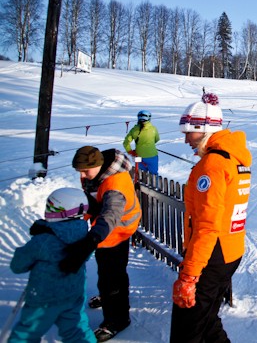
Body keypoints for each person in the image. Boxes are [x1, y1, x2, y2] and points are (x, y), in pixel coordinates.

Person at [171, 93, 252, 343]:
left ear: (203, 129)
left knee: (187, 330)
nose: (185, 139)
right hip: (229, 250)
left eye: (189, 132)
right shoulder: (232, 157)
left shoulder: (213, 165)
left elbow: (207, 226)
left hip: (211, 254)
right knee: (206, 320)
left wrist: (189, 275)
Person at [60, 146, 142, 342]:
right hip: (105, 229)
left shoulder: (116, 185)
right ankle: (108, 298)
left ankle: (118, 320)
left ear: (98, 166)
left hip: (118, 230)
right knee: (106, 271)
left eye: (85, 171)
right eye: (79, 171)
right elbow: (92, 200)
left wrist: (91, 240)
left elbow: (109, 216)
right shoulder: (93, 174)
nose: (82, 175)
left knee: (112, 276)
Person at [9, 188, 96, 343]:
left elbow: (18, 265)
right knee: (76, 331)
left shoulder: (43, 240)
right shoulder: (84, 237)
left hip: (43, 299)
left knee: (27, 333)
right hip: (73, 295)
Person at [122, 110, 160, 174]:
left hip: (138, 156)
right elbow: (156, 139)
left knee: (140, 174)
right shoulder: (153, 129)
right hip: (152, 155)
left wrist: (130, 151)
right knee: (154, 174)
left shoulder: (134, 130)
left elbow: (125, 143)